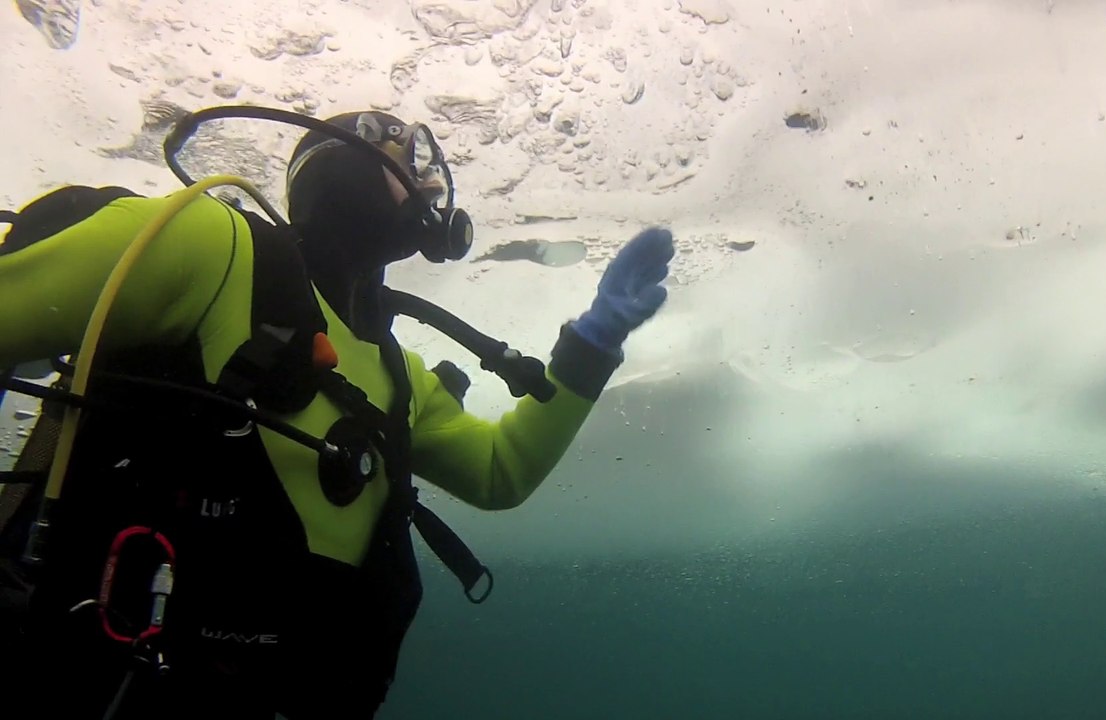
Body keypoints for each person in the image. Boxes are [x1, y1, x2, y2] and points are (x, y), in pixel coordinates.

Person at [0, 107, 675, 719]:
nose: (433, 187)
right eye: (411, 160)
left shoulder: (398, 375)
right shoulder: (211, 246)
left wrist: (593, 342)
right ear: (349, 160)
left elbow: (501, 473)